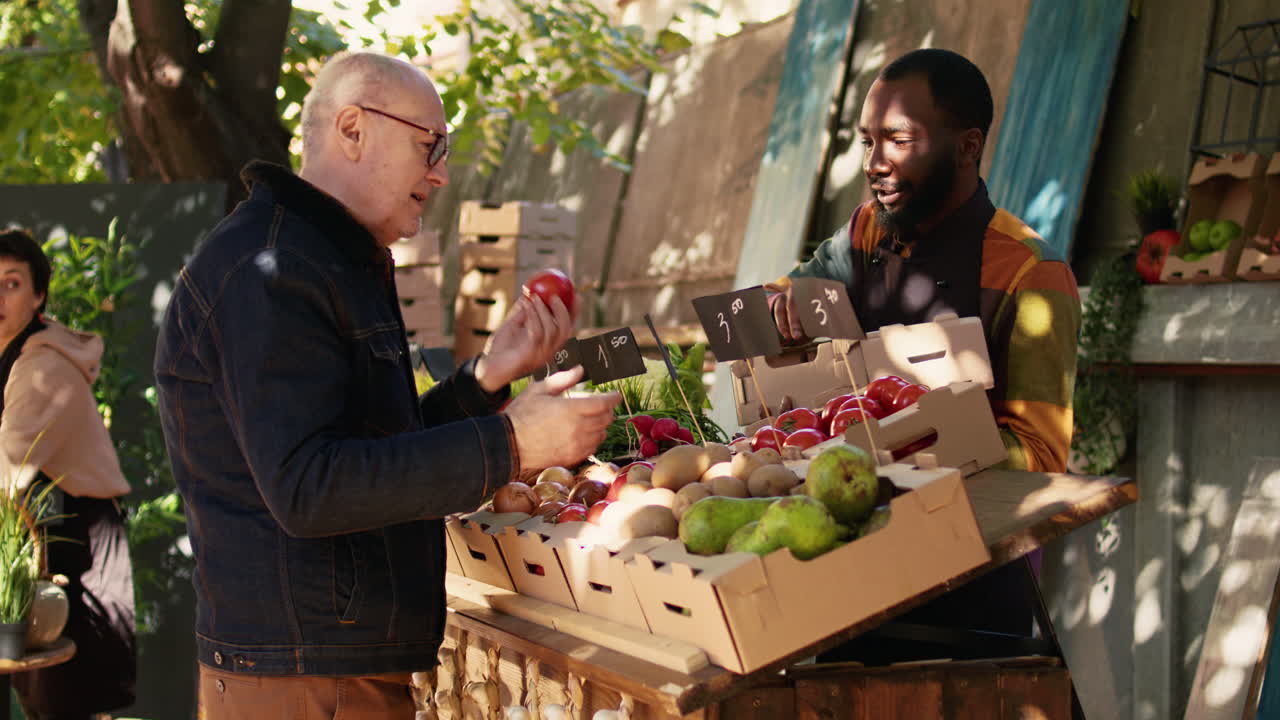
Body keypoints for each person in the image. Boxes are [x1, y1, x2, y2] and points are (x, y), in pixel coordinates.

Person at [152, 51, 620, 718]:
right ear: (351, 128)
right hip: (301, 680)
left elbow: (372, 451)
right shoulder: (273, 268)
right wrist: (508, 444)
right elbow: (310, 487)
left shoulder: (322, 256)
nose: (441, 172)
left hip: (321, 670)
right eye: (429, 143)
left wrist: (487, 377)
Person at [768, 49, 1081, 660]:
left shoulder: (1031, 273)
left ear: (967, 146)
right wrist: (783, 301)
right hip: (849, 575)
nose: (874, 164)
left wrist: (899, 441)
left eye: (898, 141)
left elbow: (1042, 458)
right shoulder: (865, 232)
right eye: (866, 143)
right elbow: (798, 284)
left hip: (966, 598)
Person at [0, 228, 137, 719]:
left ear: (38, 296)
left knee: (67, 704)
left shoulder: (41, 365)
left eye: (11, 283)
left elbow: (6, 468)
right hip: (40, 544)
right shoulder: (9, 355)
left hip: (74, 546)